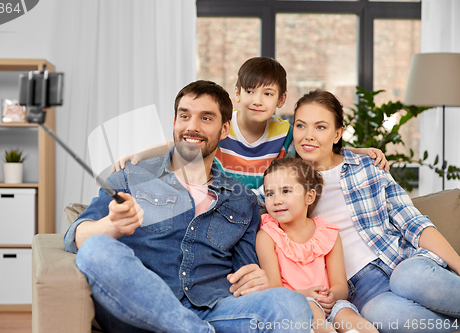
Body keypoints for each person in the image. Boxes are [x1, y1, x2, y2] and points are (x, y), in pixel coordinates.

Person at [64, 80, 313, 333]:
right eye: (184, 116)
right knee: (96, 247)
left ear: (224, 129)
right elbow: (74, 239)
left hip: (216, 311)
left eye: (206, 118)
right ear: (174, 122)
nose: (192, 127)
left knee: (291, 305)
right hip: (143, 310)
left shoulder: (242, 200)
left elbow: (245, 273)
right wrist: (111, 225)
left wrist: (255, 280)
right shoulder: (131, 177)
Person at [291, 89, 460, 333]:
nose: (308, 136)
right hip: (362, 292)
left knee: (407, 277)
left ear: (338, 133)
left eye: (320, 127)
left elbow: (413, 223)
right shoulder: (286, 185)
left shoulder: (368, 166)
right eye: (300, 126)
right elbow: (246, 200)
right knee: (378, 313)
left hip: (403, 263)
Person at [111, 57, 388, 194]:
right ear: (238, 94)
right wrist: (139, 155)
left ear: (281, 100)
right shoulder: (222, 126)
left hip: (265, 204)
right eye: (251, 92)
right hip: (225, 198)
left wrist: (359, 151)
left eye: (267, 94)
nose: (258, 101)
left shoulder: (284, 131)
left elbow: (315, 144)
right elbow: (181, 143)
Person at [256, 157, 379, 333]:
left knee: (349, 317)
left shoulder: (328, 235)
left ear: (309, 196)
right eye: (270, 193)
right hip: (295, 304)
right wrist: (307, 294)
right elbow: (274, 291)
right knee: (312, 309)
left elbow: (340, 286)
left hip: (331, 305)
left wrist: (332, 295)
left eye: (286, 191)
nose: (276, 200)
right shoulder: (267, 236)